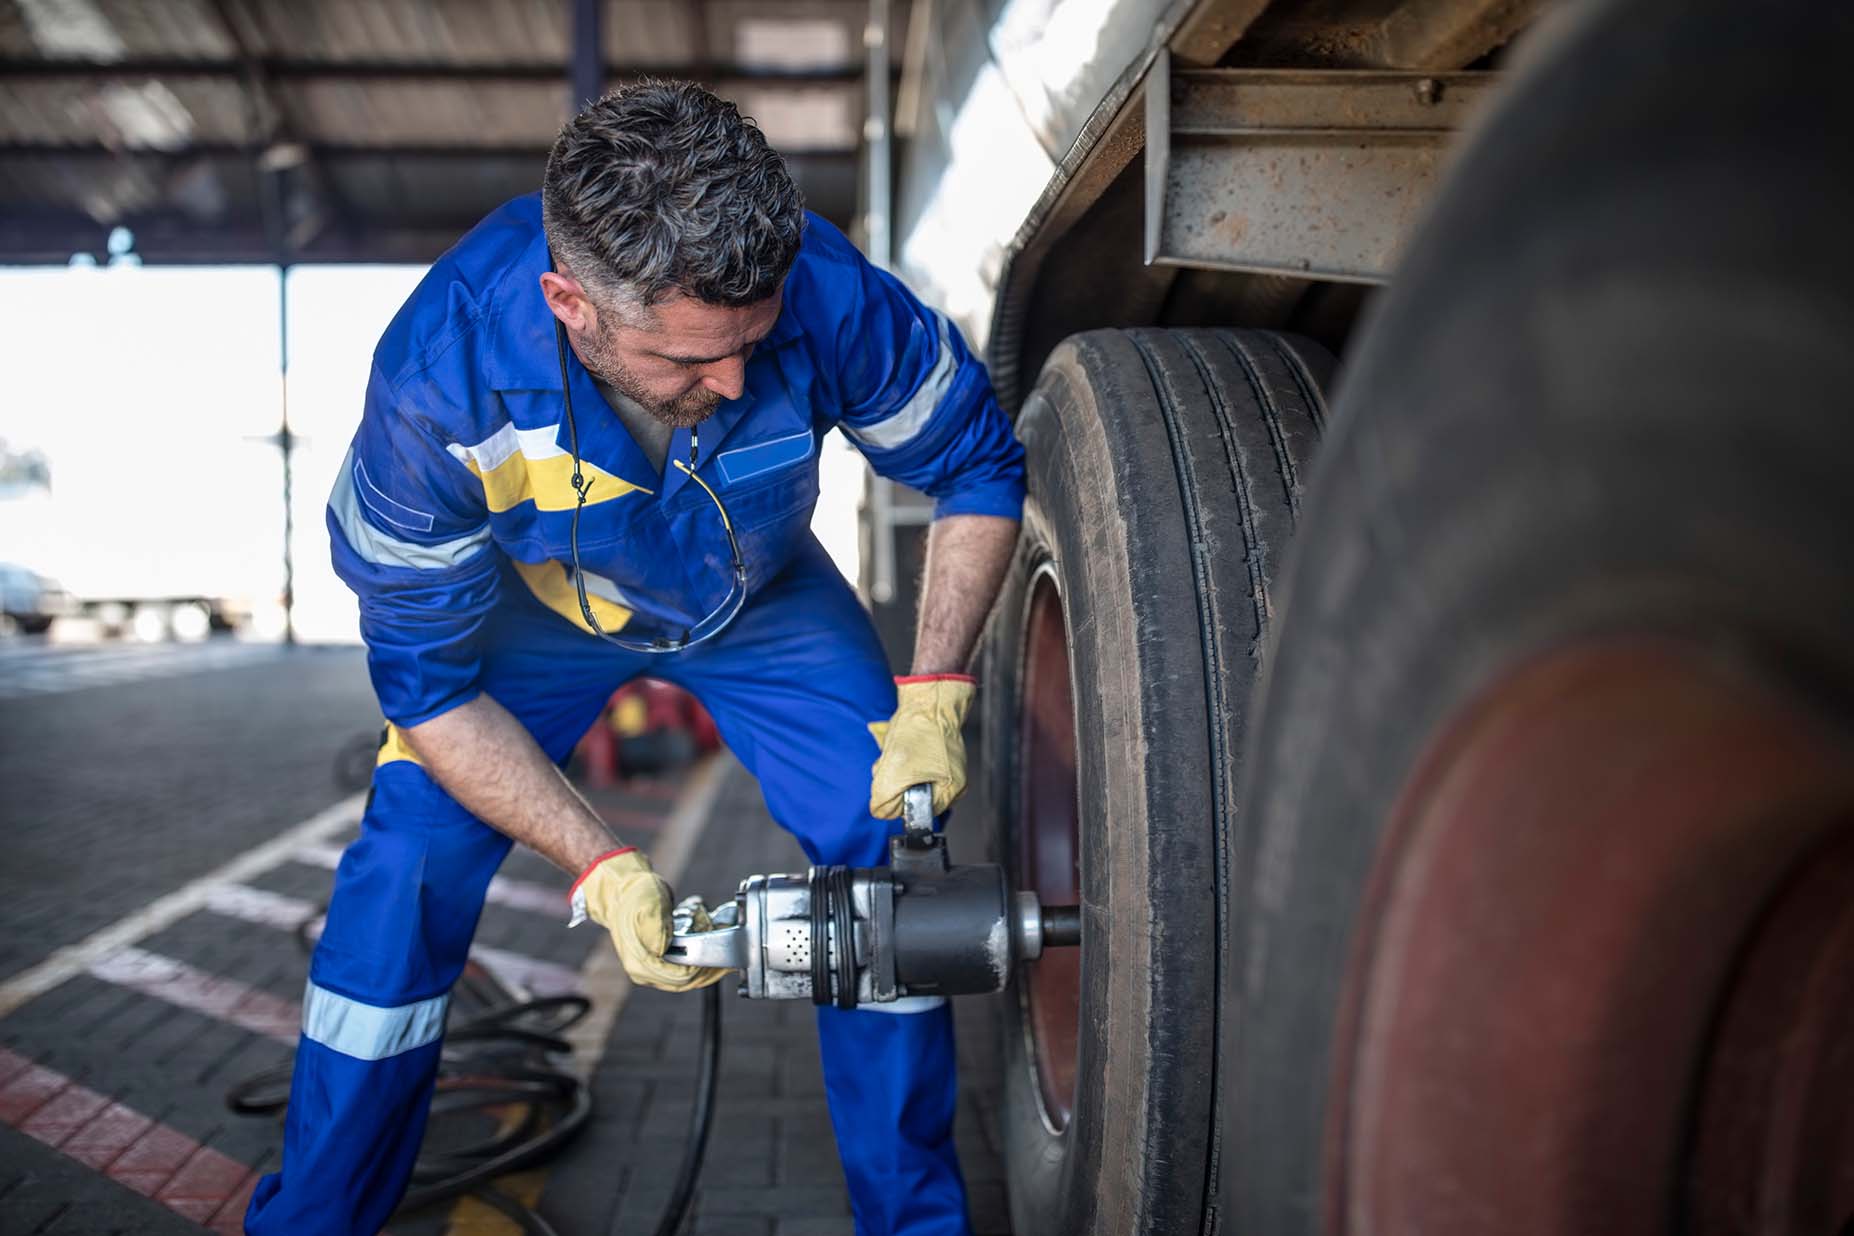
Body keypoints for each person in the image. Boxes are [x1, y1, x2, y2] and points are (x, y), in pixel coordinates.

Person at [244, 80, 1023, 1236]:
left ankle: (914, 1222)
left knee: (883, 857)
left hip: (759, 596)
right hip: (533, 619)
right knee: (404, 865)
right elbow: (435, 692)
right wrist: (598, 860)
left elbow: (976, 465)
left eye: (755, 344)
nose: (739, 387)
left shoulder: (823, 288)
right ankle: (314, 1219)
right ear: (572, 304)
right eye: (691, 361)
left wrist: (938, 684)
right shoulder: (434, 391)